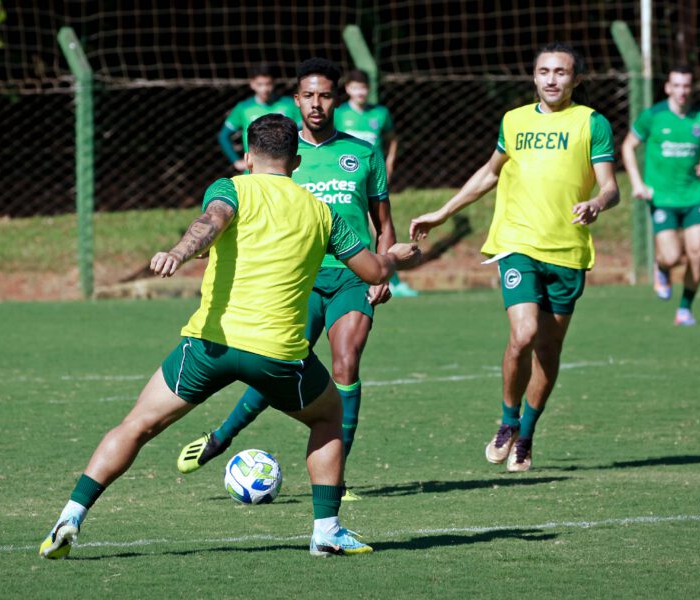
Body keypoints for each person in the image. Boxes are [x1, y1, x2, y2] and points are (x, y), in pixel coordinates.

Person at [38, 114, 420, 560]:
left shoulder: (230, 188)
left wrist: (179, 252)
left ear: (246, 155)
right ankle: (327, 531)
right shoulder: (323, 212)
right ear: (296, 161)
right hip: (277, 355)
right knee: (328, 417)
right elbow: (373, 273)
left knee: (136, 425)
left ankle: (70, 516)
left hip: (209, 345)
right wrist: (394, 257)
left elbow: (211, 221)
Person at [177, 58, 396, 501]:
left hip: (352, 277)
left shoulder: (363, 153)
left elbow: (383, 221)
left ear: (337, 99)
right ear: (296, 100)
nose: (317, 104)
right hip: (299, 278)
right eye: (308, 95)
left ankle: (338, 475)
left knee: (346, 363)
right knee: (280, 369)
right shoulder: (280, 153)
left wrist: (384, 266)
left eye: (326, 95)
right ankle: (222, 436)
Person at [410, 43, 620, 472]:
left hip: (568, 250)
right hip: (517, 244)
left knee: (548, 348)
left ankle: (527, 432)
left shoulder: (591, 123)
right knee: (523, 334)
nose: (551, 79)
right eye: (544, 71)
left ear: (576, 79)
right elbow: (491, 171)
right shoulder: (515, 120)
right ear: (534, 76)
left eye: (561, 72)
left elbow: (611, 186)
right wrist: (443, 212)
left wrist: (598, 203)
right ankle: (507, 421)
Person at [621, 65, 700, 326]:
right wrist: (637, 183)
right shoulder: (653, 116)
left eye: (686, 86)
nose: (682, 91)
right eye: (676, 85)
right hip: (662, 199)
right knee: (671, 256)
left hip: (694, 195)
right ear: (668, 87)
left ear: (692, 88)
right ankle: (662, 267)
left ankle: (684, 309)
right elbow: (628, 146)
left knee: (698, 254)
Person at [335, 69, 418, 298]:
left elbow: (392, 140)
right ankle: (359, 274)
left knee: (380, 228)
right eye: (355, 87)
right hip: (347, 182)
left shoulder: (380, 113)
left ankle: (391, 278)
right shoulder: (339, 114)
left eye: (364, 87)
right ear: (347, 89)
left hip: (372, 180)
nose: (360, 92)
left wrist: (389, 164)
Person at [217, 63, 301, 172]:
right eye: (260, 84)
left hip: (285, 170)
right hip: (254, 171)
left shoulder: (290, 105)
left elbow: (303, 134)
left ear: (274, 83)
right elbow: (223, 136)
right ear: (252, 84)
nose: (265, 89)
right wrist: (236, 161)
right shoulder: (243, 108)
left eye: (268, 84)